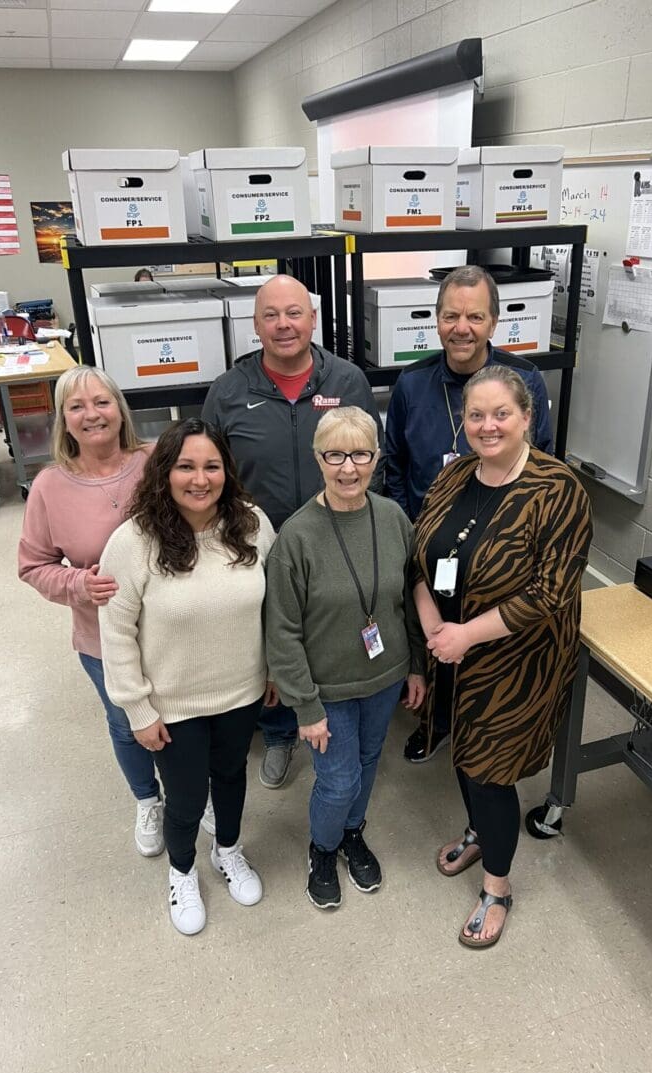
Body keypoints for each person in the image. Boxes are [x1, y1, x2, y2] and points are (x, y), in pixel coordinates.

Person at [412, 365, 591, 948]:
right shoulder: (457, 475)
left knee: (487, 769)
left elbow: (549, 592)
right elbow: (422, 553)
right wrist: (434, 622)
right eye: (475, 415)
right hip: (451, 646)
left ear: (527, 418)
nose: (488, 426)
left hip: (518, 659)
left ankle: (497, 886)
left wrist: (466, 635)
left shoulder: (557, 490)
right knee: (463, 752)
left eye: (501, 414)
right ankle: (480, 832)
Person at [202, 274, 385, 791]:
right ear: (255, 325)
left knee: (332, 628)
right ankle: (280, 731)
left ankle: (338, 717)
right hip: (256, 545)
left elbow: (374, 454)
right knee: (271, 637)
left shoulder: (346, 380)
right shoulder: (230, 391)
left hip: (336, 536)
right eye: (271, 315)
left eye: (295, 312)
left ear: (313, 319)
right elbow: (206, 469)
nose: (284, 324)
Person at [97, 419, 276, 935]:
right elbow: (117, 631)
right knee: (186, 796)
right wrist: (137, 708)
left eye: (212, 466)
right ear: (164, 473)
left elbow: (277, 608)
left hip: (241, 692)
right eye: (186, 466)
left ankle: (228, 851)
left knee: (231, 778)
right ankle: (181, 873)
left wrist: (274, 670)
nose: (200, 479)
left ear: (227, 471)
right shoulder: (133, 542)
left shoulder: (253, 524)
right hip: (171, 704)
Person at [385, 264, 555, 764]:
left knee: (484, 636)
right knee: (434, 634)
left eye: (475, 316)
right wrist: (408, 528)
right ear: (436, 320)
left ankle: (482, 728)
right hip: (430, 541)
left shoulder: (523, 381)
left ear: (494, 322)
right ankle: (434, 720)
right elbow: (393, 461)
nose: (463, 328)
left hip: (498, 548)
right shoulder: (412, 384)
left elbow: (543, 458)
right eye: (451, 315)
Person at [265, 407, 425, 909]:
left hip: (384, 677)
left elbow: (409, 599)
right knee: (337, 780)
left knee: (368, 762)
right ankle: (323, 848)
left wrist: (417, 665)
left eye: (360, 454)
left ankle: (353, 834)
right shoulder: (297, 537)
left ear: (377, 458)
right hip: (326, 689)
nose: (348, 468)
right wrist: (305, 708)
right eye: (335, 455)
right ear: (318, 459)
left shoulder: (394, 517)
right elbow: (283, 631)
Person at [18, 367, 162, 857]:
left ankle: (192, 793)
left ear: (119, 408)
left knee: (182, 717)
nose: (91, 415)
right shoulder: (49, 487)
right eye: (76, 407)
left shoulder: (156, 460)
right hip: (103, 638)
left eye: (100, 402)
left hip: (172, 630)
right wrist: (80, 583)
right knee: (127, 723)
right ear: (63, 420)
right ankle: (148, 799)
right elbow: (33, 565)